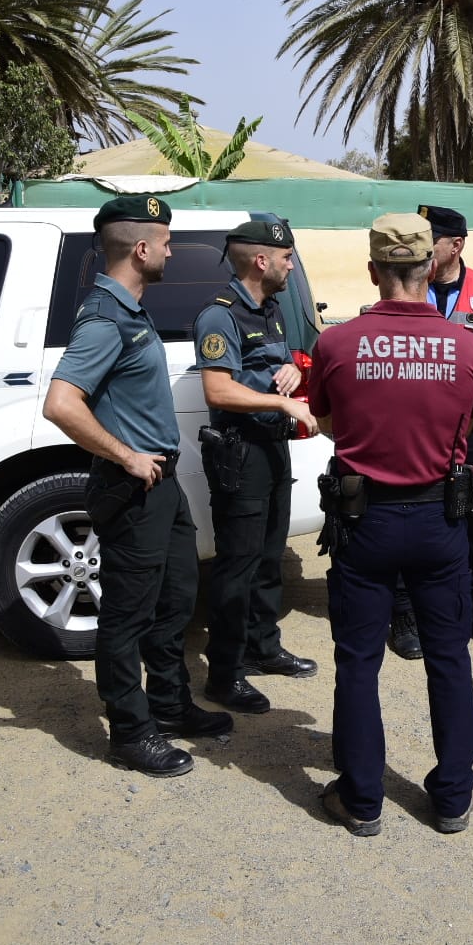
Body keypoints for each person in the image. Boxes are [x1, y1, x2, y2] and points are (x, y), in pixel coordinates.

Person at [309, 212, 473, 837]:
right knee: (449, 657)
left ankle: (361, 799)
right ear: (431, 267)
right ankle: (452, 797)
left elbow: (325, 417)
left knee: (358, 660)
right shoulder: (469, 345)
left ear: (373, 270)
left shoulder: (336, 343)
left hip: (366, 520)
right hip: (442, 518)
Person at [43, 195, 230, 777]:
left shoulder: (129, 308)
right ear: (142, 248)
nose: (171, 251)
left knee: (175, 597)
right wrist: (125, 456)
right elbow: (60, 403)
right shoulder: (105, 318)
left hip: (163, 487)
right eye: (167, 242)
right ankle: (129, 731)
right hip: (134, 490)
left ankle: (169, 705)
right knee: (127, 614)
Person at [193, 214, 320, 718]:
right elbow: (218, 389)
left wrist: (289, 369)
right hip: (240, 453)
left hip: (270, 449)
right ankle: (224, 675)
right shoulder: (219, 315)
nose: (291, 266)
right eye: (287, 258)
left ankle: (263, 648)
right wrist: (282, 405)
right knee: (237, 566)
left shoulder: (269, 309)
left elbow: (266, 368)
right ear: (261, 260)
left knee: (269, 555)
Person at [387, 204, 473, 658]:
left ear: (455, 245)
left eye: (431, 238)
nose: (422, 245)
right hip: (414, 428)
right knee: (408, 515)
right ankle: (403, 612)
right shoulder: (404, 288)